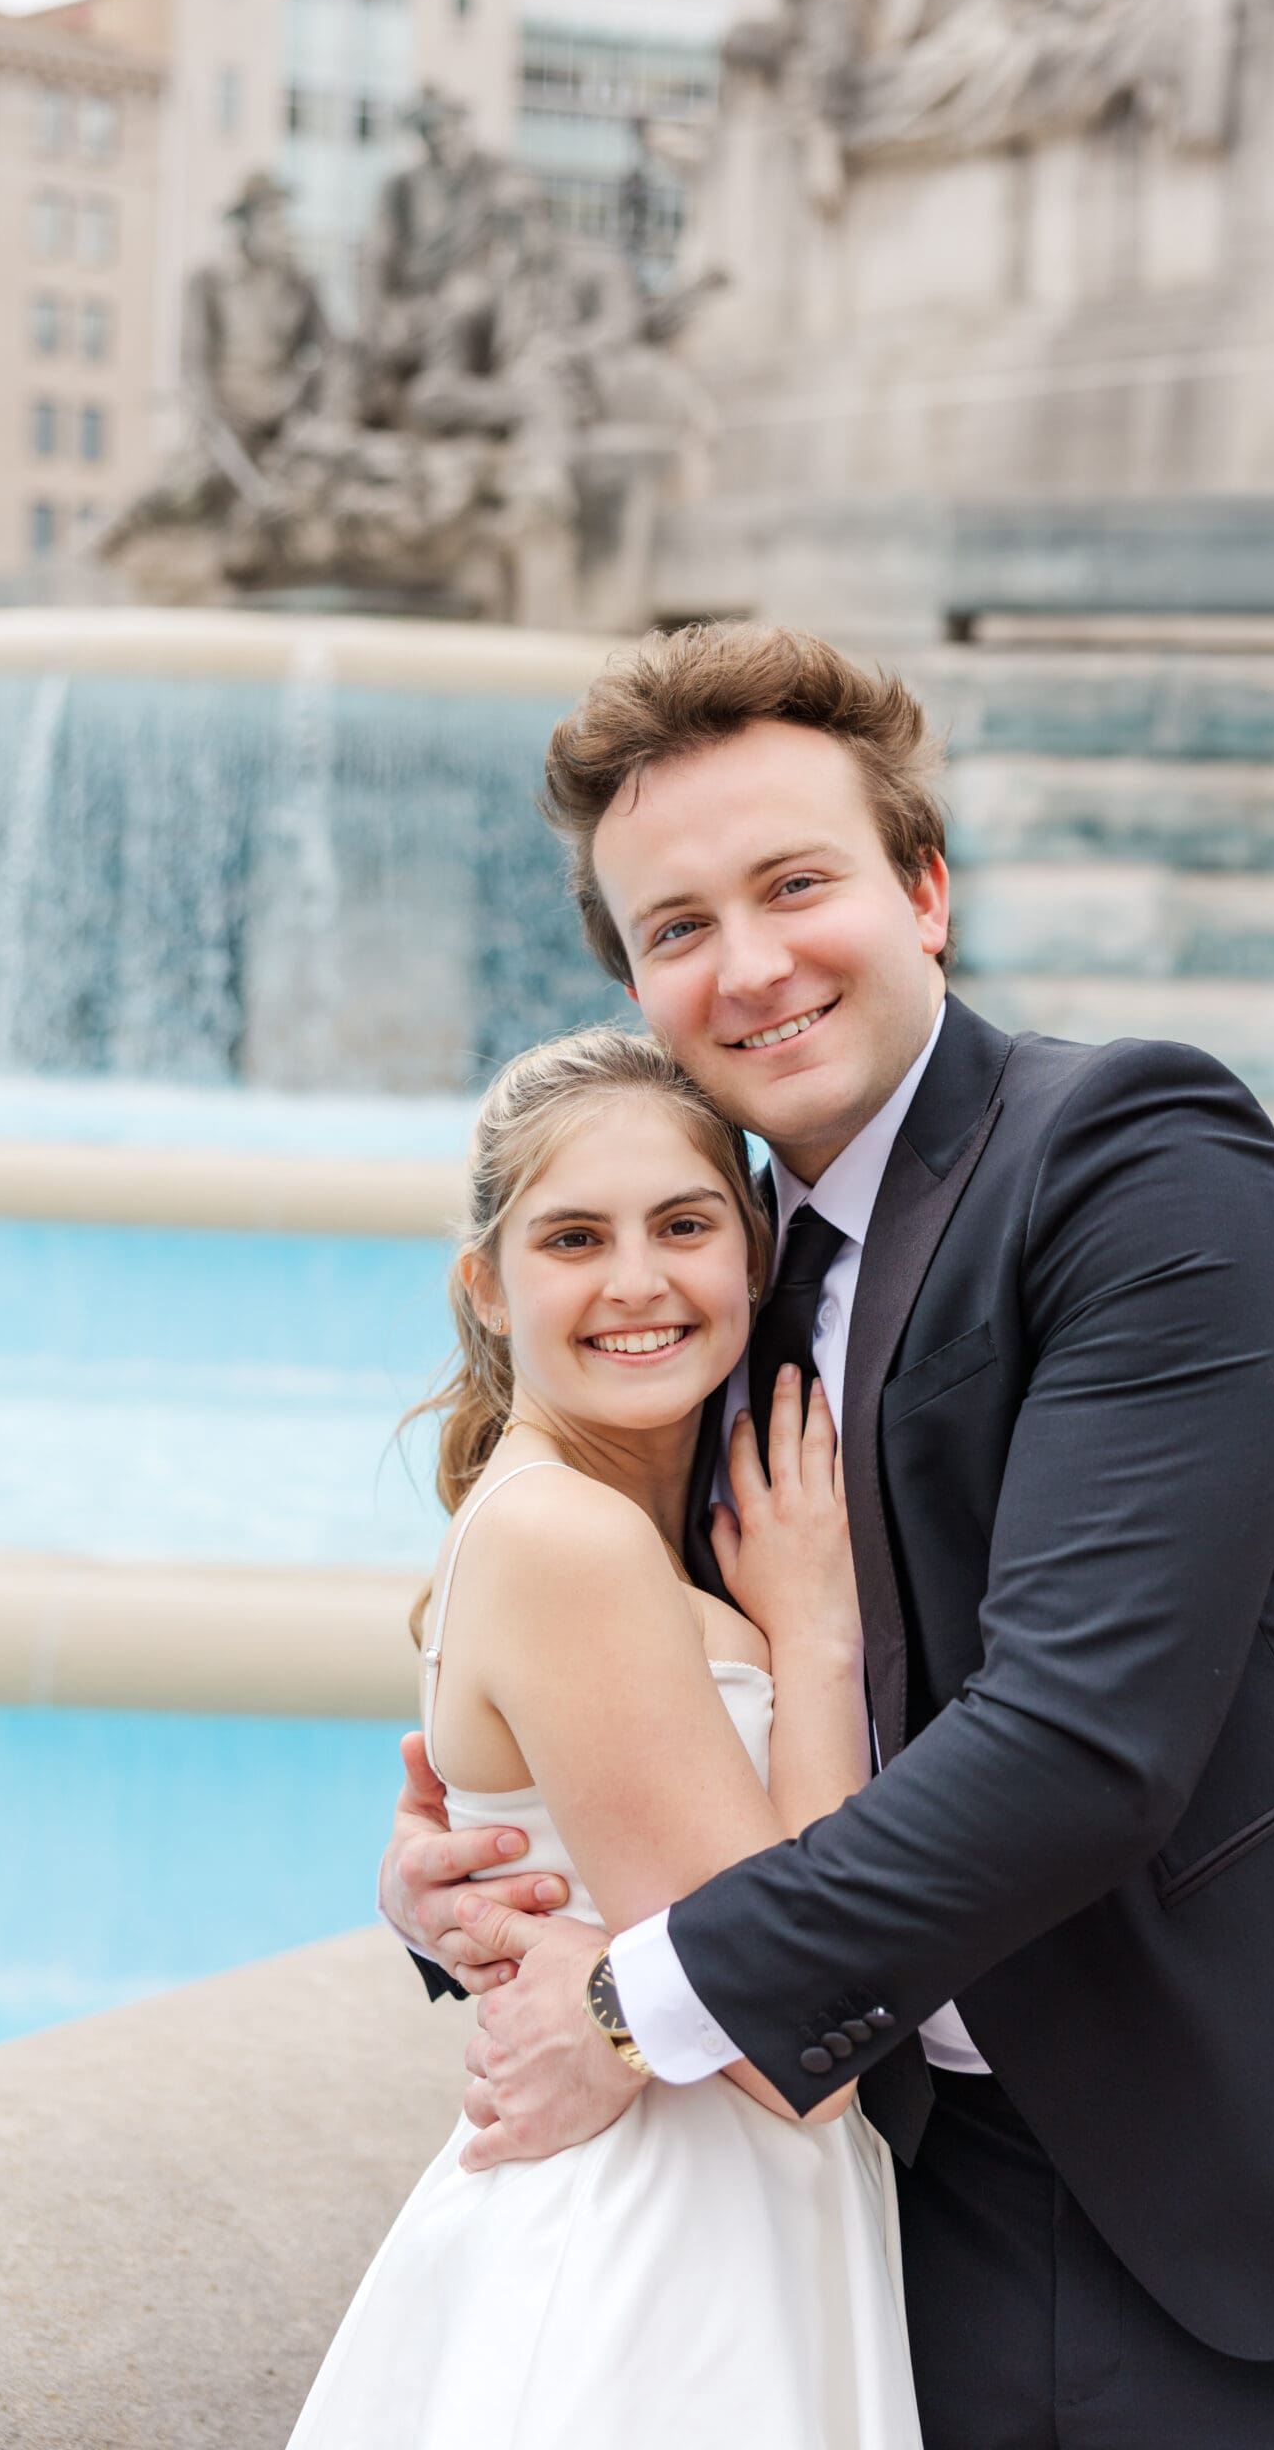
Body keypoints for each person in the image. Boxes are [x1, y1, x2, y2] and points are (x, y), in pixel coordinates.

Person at [383, 622, 1274, 2450]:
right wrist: (460, 1886)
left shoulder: (1136, 1152)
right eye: (676, 928)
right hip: (909, 2200)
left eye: (795, 884)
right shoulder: (716, 1279)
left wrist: (624, 2000)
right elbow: (647, 1681)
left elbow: (1084, 1738)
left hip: (1252, 2177)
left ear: (927, 893)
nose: (747, 966)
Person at [292, 1027, 923, 2447]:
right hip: (653, 2264)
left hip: (712, 2219)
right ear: (488, 1287)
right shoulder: (570, 1540)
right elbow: (789, 2039)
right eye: (574, 1237)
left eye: (684, 1225)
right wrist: (817, 1641)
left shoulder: (626, 1524)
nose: (636, 1281)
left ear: (754, 1258)